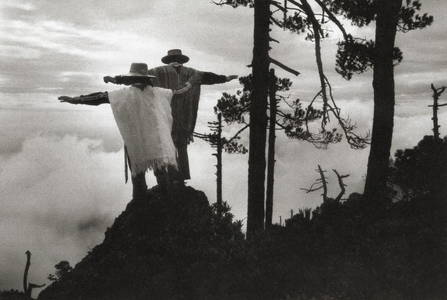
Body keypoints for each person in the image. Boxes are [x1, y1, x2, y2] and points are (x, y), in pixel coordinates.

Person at [58, 63, 191, 199]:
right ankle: (158, 198)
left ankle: (147, 200)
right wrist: (188, 85)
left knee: (145, 171)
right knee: (156, 171)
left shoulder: (131, 94)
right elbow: (178, 92)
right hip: (153, 140)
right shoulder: (156, 93)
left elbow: (101, 97)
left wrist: (76, 100)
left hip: (140, 140)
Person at [147, 49, 238, 185]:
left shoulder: (157, 72)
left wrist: (117, 80)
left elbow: (140, 78)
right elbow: (210, 77)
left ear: (169, 60)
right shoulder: (192, 74)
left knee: (169, 144)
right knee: (181, 145)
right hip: (185, 116)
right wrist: (225, 78)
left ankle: (172, 176)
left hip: (166, 116)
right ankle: (181, 177)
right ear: (182, 60)